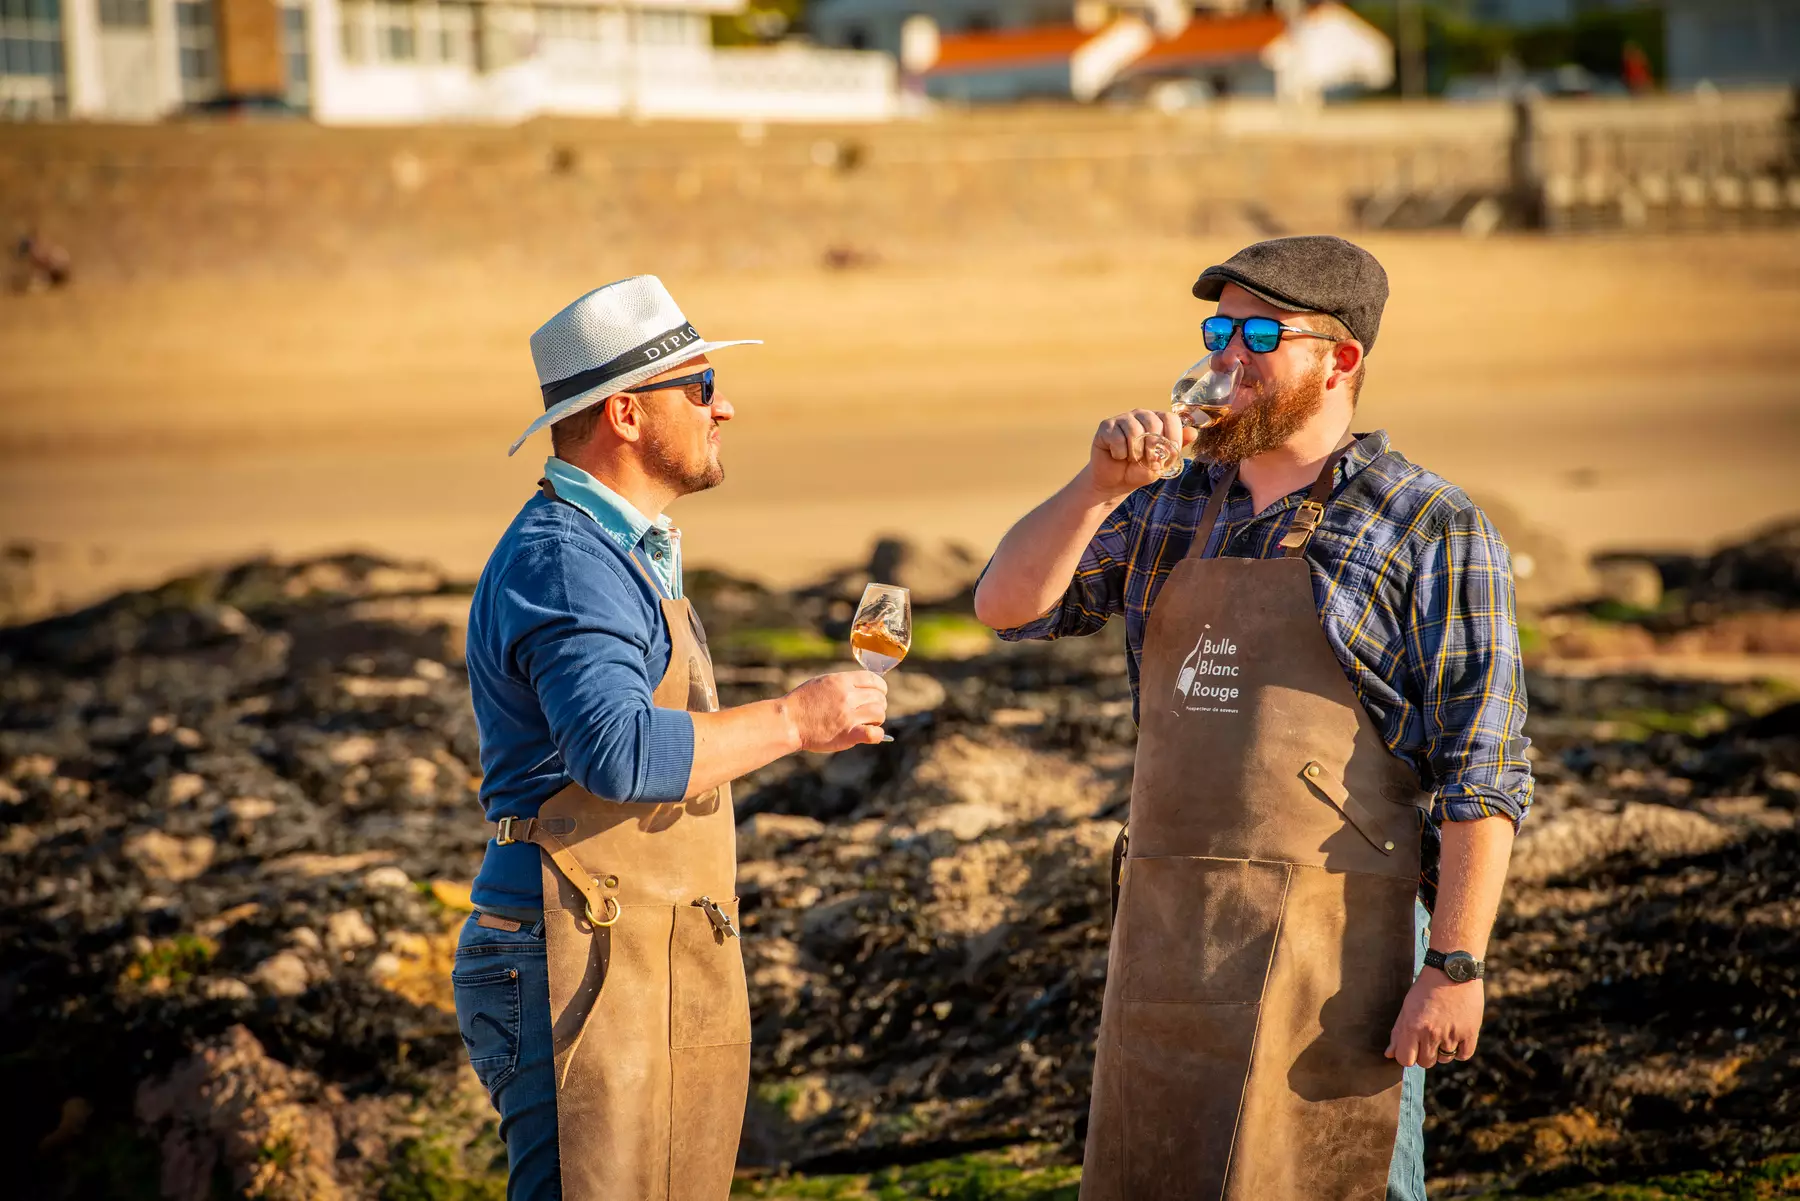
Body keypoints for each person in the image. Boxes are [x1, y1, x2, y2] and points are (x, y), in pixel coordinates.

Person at [974, 236, 1532, 1201]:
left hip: (1338, 952)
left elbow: (1480, 766)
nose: (1226, 354)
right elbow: (1006, 606)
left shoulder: (1429, 523)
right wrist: (1098, 486)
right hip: (1166, 935)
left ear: (1340, 358)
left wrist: (1453, 964)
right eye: (1217, 327)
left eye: (1259, 332)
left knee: (1334, 1179)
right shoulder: (1165, 504)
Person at [456, 275, 889, 1201]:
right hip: (565, 943)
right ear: (623, 413)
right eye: (697, 388)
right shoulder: (569, 560)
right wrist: (795, 720)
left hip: (619, 935)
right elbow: (617, 753)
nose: (723, 405)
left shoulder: (613, 546)